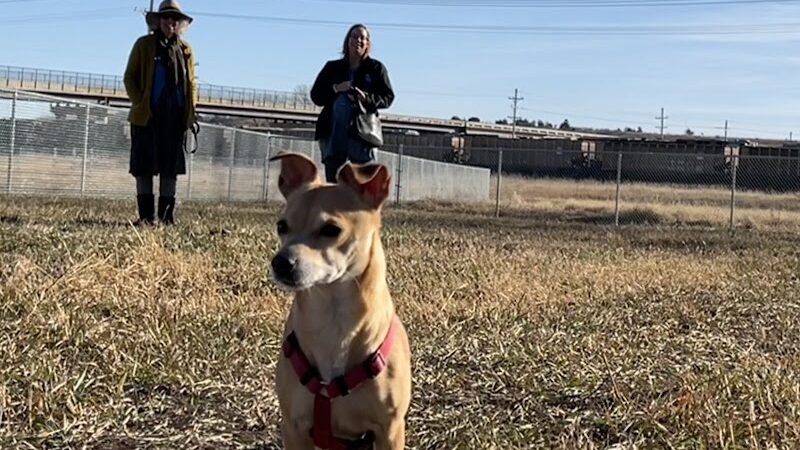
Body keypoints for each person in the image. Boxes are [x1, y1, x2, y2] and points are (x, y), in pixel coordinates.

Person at [124, 0, 198, 225]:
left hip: (174, 119)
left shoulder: (186, 50)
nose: (170, 23)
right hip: (146, 117)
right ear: (158, 21)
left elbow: (192, 83)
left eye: (175, 19)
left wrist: (190, 113)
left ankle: (167, 218)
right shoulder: (143, 45)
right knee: (143, 168)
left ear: (180, 24)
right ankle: (146, 217)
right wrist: (139, 102)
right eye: (166, 18)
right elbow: (130, 77)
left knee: (170, 169)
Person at [310, 24, 395, 183]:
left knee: (363, 185)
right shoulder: (332, 68)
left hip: (362, 133)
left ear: (368, 43)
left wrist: (366, 98)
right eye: (354, 36)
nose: (358, 40)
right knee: (334, 183)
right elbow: (316, 96)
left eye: (363, 37)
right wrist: (336, 88)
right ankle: (334, 202)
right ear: (347, 41)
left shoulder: (376, 68)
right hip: (333, 132)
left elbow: (388, 97)